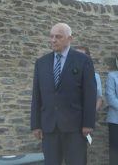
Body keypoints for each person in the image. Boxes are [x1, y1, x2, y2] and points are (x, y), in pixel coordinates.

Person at [30, 23, 97, 165]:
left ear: (69, 39)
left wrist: (88, 123)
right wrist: (35, 124)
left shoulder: (83, 61)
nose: (53, 40)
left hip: (75, 128)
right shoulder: (41, 63)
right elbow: (37, 95)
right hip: (49, 127)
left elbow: (90, 95)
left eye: (58, 37)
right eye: (51, 36)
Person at [75, 46, 103, 111]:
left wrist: (92, 113)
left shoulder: (95, 76)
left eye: (81, 56)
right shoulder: (68, 75)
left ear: (87, 58)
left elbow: (99, 97)